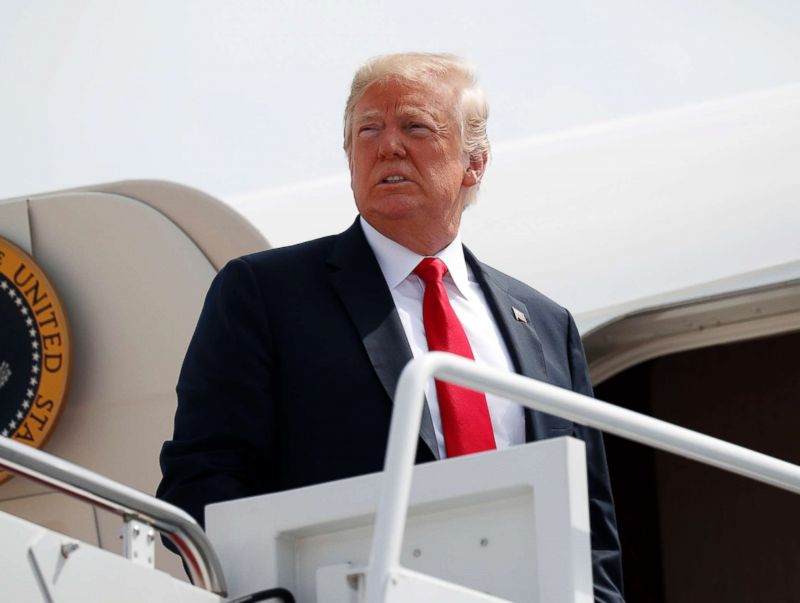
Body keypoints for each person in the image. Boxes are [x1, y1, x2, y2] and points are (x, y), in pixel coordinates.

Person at [157, 52, 623, 602]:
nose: (388, 145)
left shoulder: (546, 325)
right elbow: (201, 476)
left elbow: (591, 529)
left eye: (416, 127)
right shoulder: (264, 293)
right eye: (367, 129)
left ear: (475, 162)